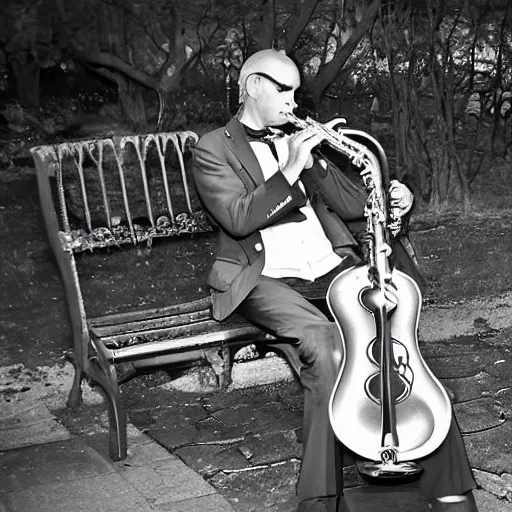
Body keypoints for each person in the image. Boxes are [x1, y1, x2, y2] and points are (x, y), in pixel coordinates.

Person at [192, 49, 478, 512]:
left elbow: (350, 203)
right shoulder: (213, 148)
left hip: (329, 269)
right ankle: (320, 501)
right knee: (328, 347)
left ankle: (448, 487)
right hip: (265, 278)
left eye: (295, 91)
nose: (291, 100)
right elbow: (239, 218)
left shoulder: (300, 137)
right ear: (252, 86)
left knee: (394, 334)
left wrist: (389, 194)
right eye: (282, 89)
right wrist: (289, 167)